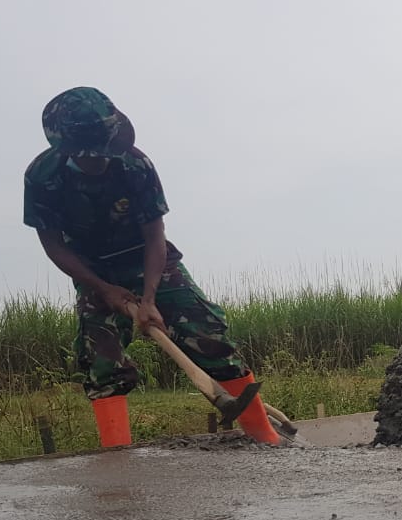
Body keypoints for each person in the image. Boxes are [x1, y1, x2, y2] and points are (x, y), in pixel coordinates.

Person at [24, 87, 281, 447]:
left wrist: (148, 299)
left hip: (148, 258)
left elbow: (155, 235)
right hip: (91, 269)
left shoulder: (135, 165)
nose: (101, 161)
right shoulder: (42, 177)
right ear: (66, 148)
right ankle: (118, 460)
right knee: (101, 360)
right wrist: (104, 289)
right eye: (92, 156)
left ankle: (269, 441)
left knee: (209, 336)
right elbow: (53, 245)